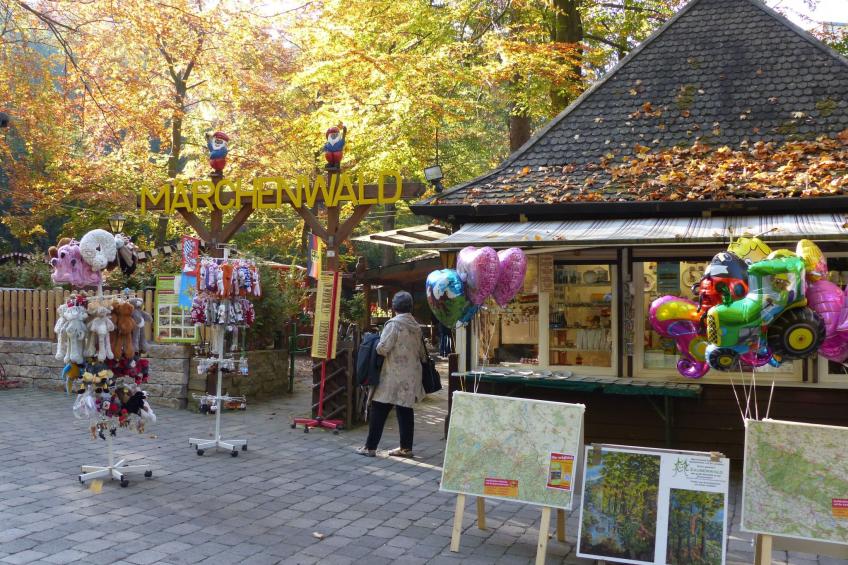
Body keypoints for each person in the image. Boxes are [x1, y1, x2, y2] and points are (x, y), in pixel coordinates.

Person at [358, 291, 427, 458]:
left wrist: (374, 340)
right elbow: (422, 354)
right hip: (411, 376)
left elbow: (382, 348)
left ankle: (370, 447)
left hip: (392, 375)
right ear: (410, 306)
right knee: (405, 409)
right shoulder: (416, 327)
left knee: (379, 408)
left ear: (394, 307)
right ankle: (406, 448)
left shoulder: (394, 324)